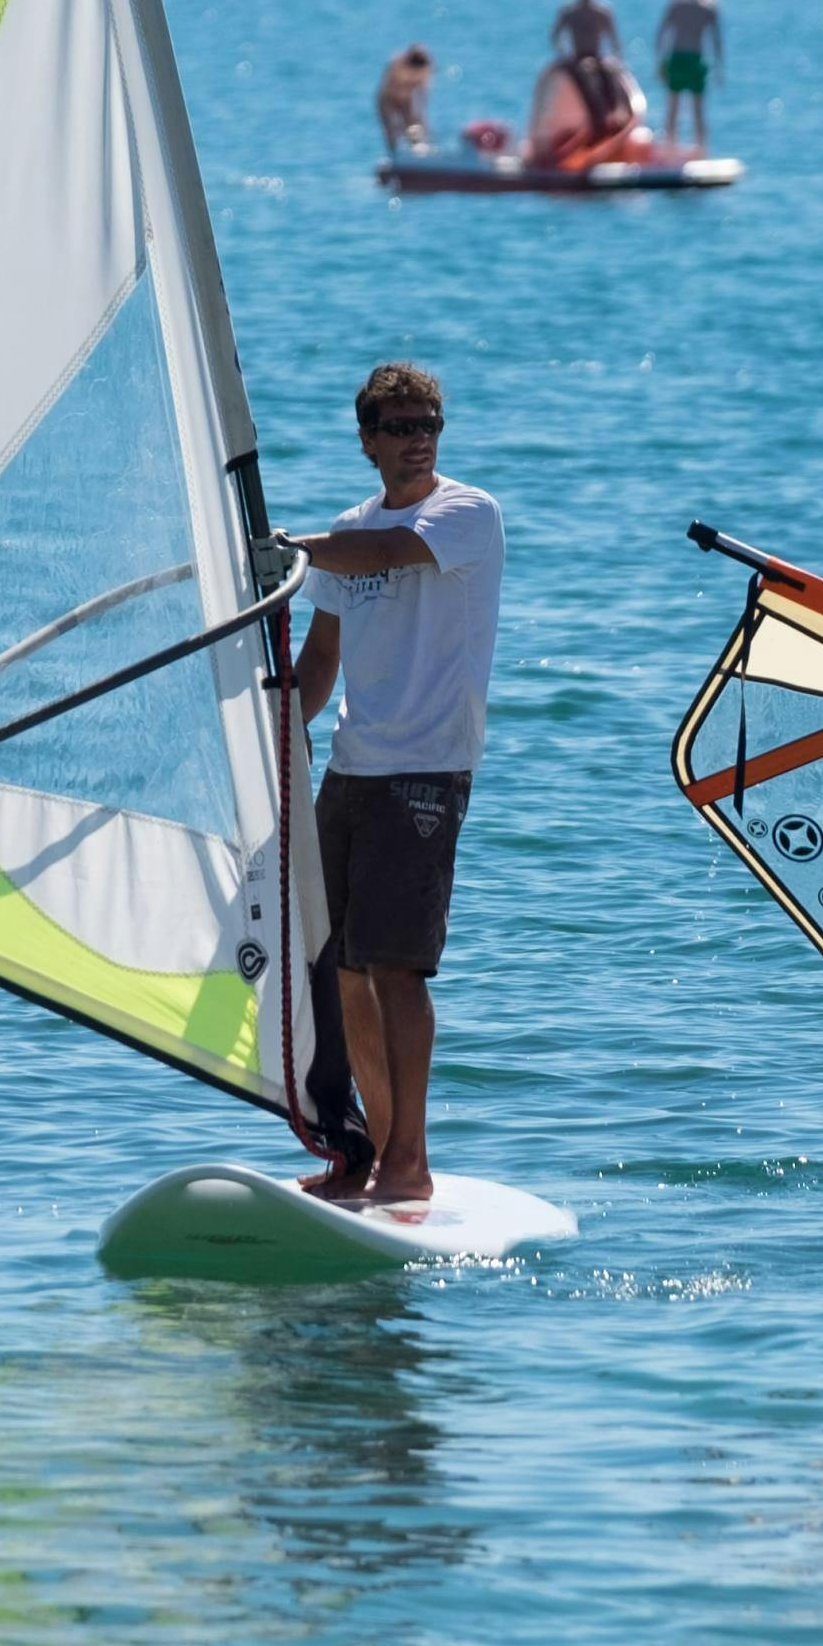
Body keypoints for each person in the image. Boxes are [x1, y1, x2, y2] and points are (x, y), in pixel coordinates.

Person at [276, 363, 503, 1207]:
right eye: (401, 427)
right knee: (340, 970)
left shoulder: (467, 514)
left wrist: (287, 550)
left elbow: (388, 553)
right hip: (351, 770)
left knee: (396, 969)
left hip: (426, 771)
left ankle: (411, 1161)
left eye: (429, 425)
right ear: (368, 440)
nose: (418, 441)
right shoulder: (348, 529)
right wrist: (272, 730)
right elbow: (321, 659)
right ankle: (369, 1150)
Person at [653, 0, 725, 152]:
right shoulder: (709, 5)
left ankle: (669, 148)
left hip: (676, 57)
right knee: (698, 109)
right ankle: (701, 149)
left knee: (673, 107)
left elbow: (662, 32)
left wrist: (660, 62)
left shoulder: (677, 2)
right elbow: (716, 39)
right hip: (695, 58)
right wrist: (719, 67)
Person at [374, 45, 435, 154]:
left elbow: (423, 93)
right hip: (388, 99)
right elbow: (387, 90)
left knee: (415, 125)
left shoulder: (425, 67)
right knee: (391, 130)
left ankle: (419, 151)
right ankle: (394, 153)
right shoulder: (396, 64)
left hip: (406, 99)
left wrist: (419, 112)